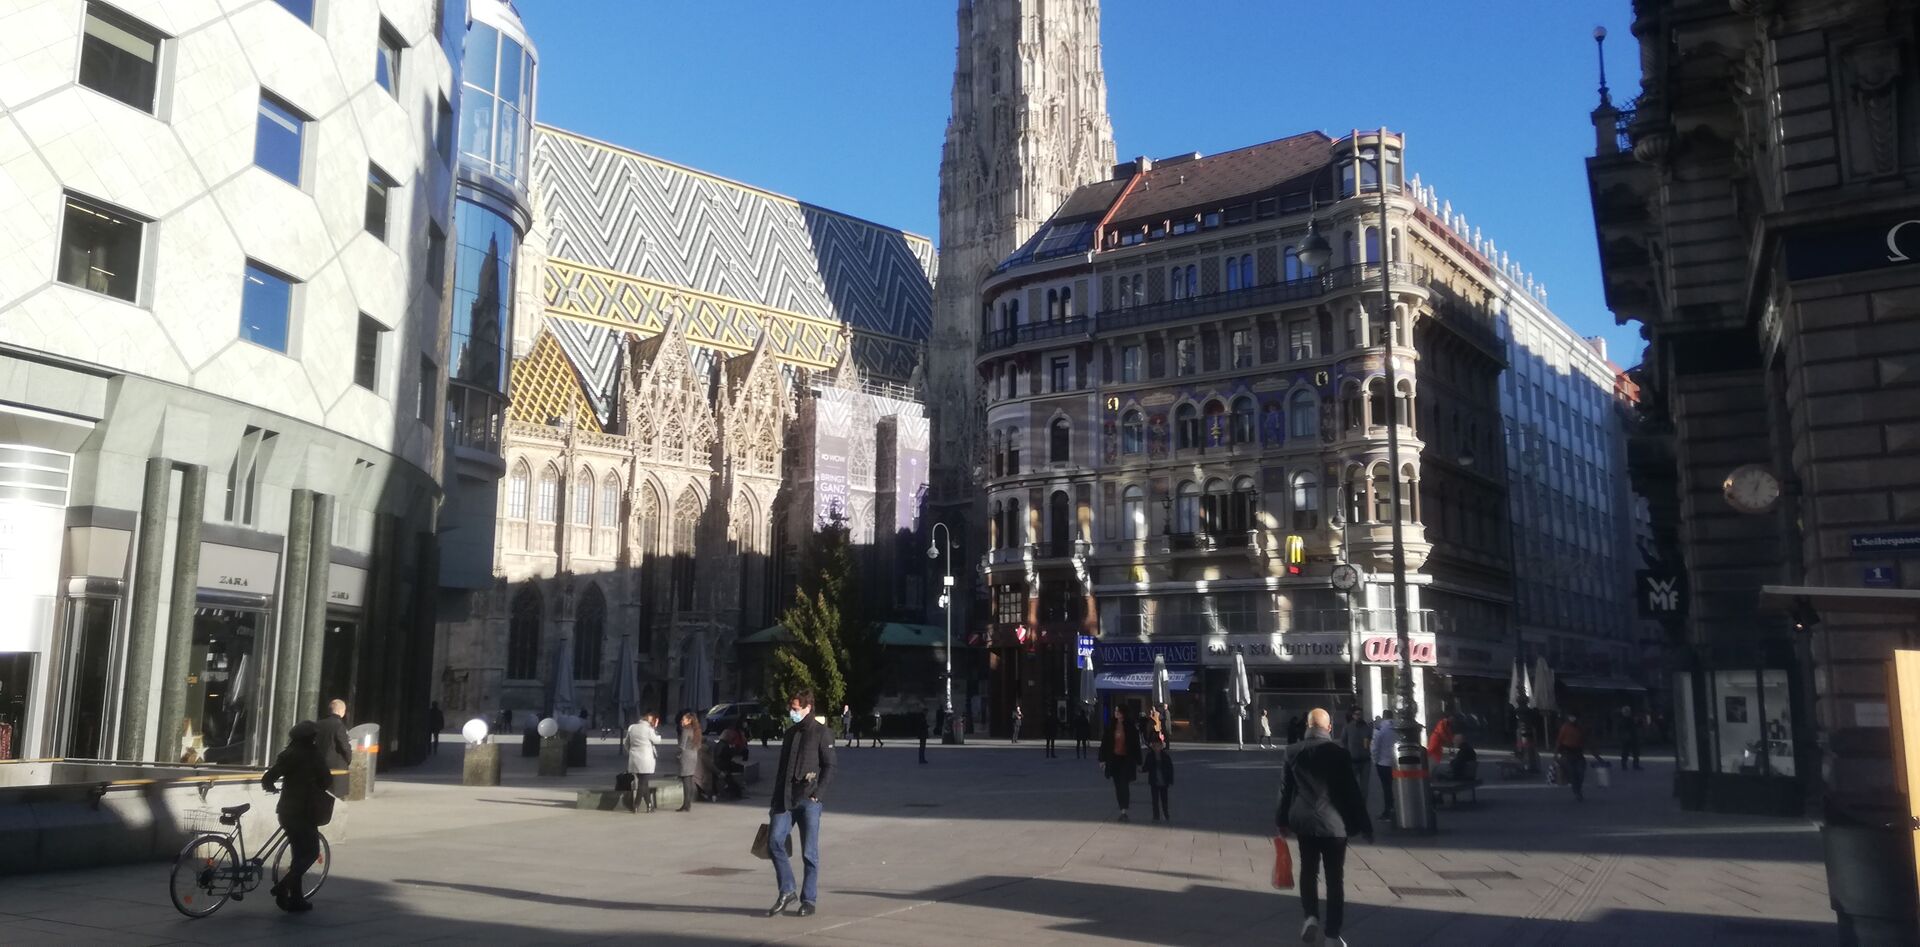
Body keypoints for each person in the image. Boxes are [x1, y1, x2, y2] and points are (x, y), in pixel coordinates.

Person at [1277, 708, 1372, 947]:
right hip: (1334, 825)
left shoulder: (1292, 751)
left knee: (1308, 871)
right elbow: (1352, 792)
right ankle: (1332, 934)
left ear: (1307, 727)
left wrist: (1281, 821)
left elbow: (1285, 791)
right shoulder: (1339, 753)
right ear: (1329, 728)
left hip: (1304, 822)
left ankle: (1310, 916)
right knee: (1334, 879)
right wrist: (1365, 824)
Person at [766, 688, 835, 919]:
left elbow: (829, 765)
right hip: (785, 798)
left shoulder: (821, 733)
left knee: (809, 853)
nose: (791, 712)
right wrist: (775, 800)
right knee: (774, 841)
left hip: (808, 799)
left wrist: (818, 794)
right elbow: (782, 770)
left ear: (807, 708)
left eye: (795, 709)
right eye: (791, 708)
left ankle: (809, 899)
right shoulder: (790, 733)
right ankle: (787, 890)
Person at [261, 720, 333, 913]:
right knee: (310, 853)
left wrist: (272, 787)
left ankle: (297, 899)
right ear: (310, 738)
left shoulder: (288, 755)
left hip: (285, 811)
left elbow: (268, 778)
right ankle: (283, 887)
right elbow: (326, 780)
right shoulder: (313, 755)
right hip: (305, 812)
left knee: (298, 855)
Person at [1097, 705, 1142, 822]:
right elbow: (1105, 744)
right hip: (1114, 760)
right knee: (1117, 785)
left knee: (1124, 784)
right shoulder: (1111, 727)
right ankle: (1122, 807)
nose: (1116, 712)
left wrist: (1139, 761)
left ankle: (1124, 810)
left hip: (1126, 760)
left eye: (1118, 711)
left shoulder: (1130, 727)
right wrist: (1102, 760)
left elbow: (1136, 745)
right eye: (1115, 710)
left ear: (1123, 713)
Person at [624, 711, 665, 813]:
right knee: (642, 783)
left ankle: (649, 805)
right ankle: (636, 805)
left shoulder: (632, 727)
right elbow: (657, 741)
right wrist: (655, 729)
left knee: (644, 782)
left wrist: (631, 751)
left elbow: (626, 743)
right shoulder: (649, 729)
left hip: (634, 758)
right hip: (646, 759)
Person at [1339, 706, 1371, 808]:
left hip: (1365, 760)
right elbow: (1343, 741)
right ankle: (1352, 804)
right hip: (1352, 760)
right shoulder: (1348, 727)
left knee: (1364, 787)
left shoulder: (1366, 727)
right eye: (1357, 714)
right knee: (1352, 784)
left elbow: (1369, 739)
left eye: (1360, 714)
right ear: (1353, 716)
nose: (1359, 716)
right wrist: (1347, 753)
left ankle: (1362, 806)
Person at [1143, 730, 1175, 822]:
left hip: (1164, 781)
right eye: (1155, 746)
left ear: (1161, 746)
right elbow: (1147, 766)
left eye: (1158, 745)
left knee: (1164, 800)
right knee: (1155, 800)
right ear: (1152, 746)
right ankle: (1156, 815)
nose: (1156, 747)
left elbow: (1170, 769)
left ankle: (1166, 814)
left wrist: (1170, 780)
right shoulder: (1150, 756)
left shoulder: (1165, 756)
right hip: (1154, 781)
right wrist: (1142, 770)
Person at [1556, 713, 1589, 801]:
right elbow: (1559, 742)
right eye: (1571, 716)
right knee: (1573, 774)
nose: (1573, 719)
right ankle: (1577, 792)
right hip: (1567, 754)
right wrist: (1556, 755)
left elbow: (1587, 741)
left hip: (1578, 753)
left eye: (1574, 716)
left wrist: (1597, 756)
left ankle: (1578, 790)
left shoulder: (1581, 728)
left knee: (1580, 773)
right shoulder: (1565, 728)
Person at [314, 699, 353, 772]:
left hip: (319, 764)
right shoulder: (339, 725)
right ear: (341, 711)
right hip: (336, 767)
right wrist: (349, 759)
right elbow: (344, 746)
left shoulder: (318, 724)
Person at [676, 712, 704, 812]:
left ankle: (685, 804)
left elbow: (682, 746)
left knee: (685, 780)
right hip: (694, 755)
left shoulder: (686, 730)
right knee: (690, 779)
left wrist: (677, 755)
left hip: (686, 756)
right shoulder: (697, 730)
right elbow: (699, 745)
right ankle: (688, 804)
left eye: (683, 719)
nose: (681, 721)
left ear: (689, 720)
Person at [1371, 714, 1398, 820]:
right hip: (1396, 762)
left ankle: (1388, 810)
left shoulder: (1381, 729)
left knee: (1386, 787)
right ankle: (1398, 808)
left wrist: (1375, 760)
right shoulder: (1398, 727)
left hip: (1383, 762)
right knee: (1398, 786)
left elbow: (1375, 747)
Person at [1618, 705, 1642, 771]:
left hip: (1631, 738)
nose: (1627, 713)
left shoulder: (1628, 719)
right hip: (1628, 738)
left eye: (1628, 711)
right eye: (1626, 711)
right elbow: (1622, 729)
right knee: (1627, 752)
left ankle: (1633, 765)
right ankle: (1626, 765)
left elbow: (1635, 726)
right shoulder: (1625, 720)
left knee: (1634, 752)